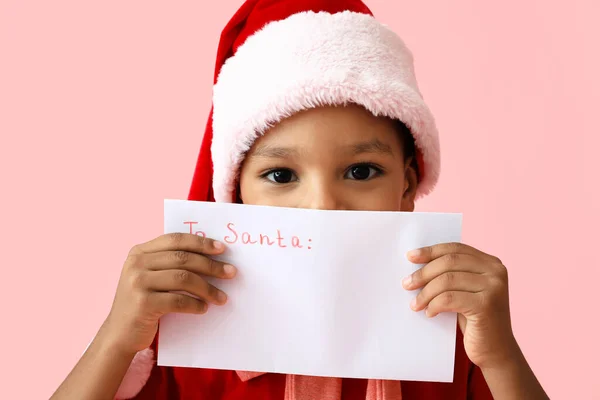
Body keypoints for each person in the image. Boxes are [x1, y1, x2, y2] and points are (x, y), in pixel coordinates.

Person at [51, 0, 549, 399]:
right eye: (281, 174)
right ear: (235, 194)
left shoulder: (452, 324)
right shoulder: (183, 327)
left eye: (361, 171)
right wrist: (116, 340)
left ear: (404, 186)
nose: (321, 206)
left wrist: (501, 356)